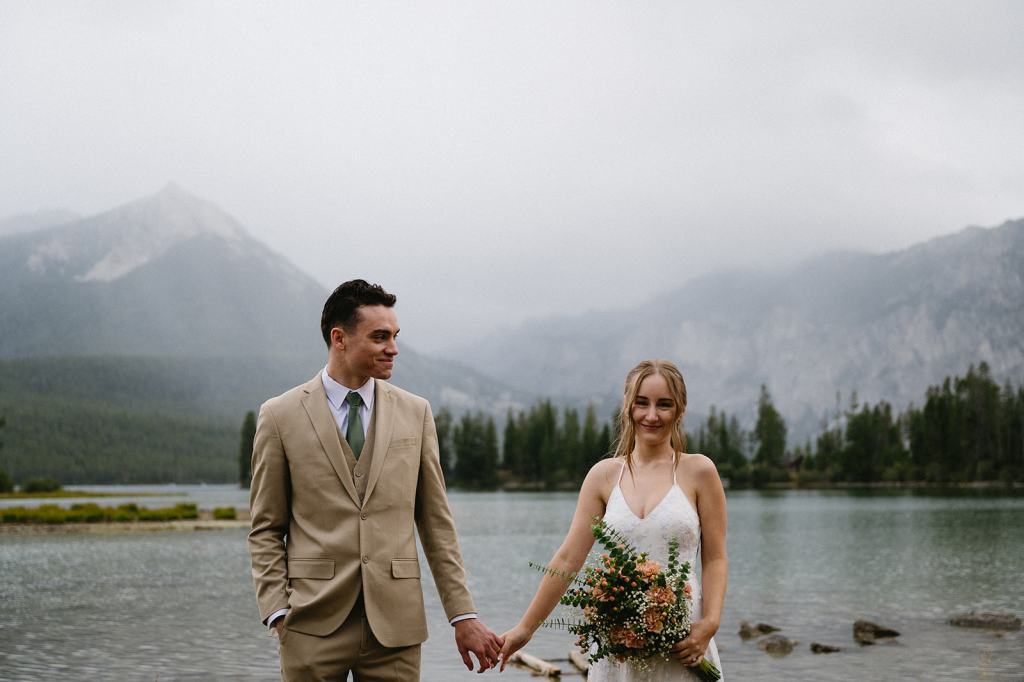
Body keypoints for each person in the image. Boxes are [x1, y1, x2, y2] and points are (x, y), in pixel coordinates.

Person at [248, 279, 503, 681]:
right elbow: (266, 527)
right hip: (311, 624)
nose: (394, 348)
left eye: (395, 336)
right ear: (340, 339)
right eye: (380, 337)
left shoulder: (416, 413)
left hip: (396, 628)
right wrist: (278, 610)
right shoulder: (279, 416)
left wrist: (462, 615)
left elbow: (436, 524)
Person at [498, 359, 727, 680]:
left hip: (685, 641)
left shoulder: (700, 471)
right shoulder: (603, 477)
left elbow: (715, 557)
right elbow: (567, 559)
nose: (651, 415)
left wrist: (710, 622)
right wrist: (525, 629)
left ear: (680, 410)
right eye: (641, 403)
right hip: (618, 646)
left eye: (664, 405)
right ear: (627, 406)